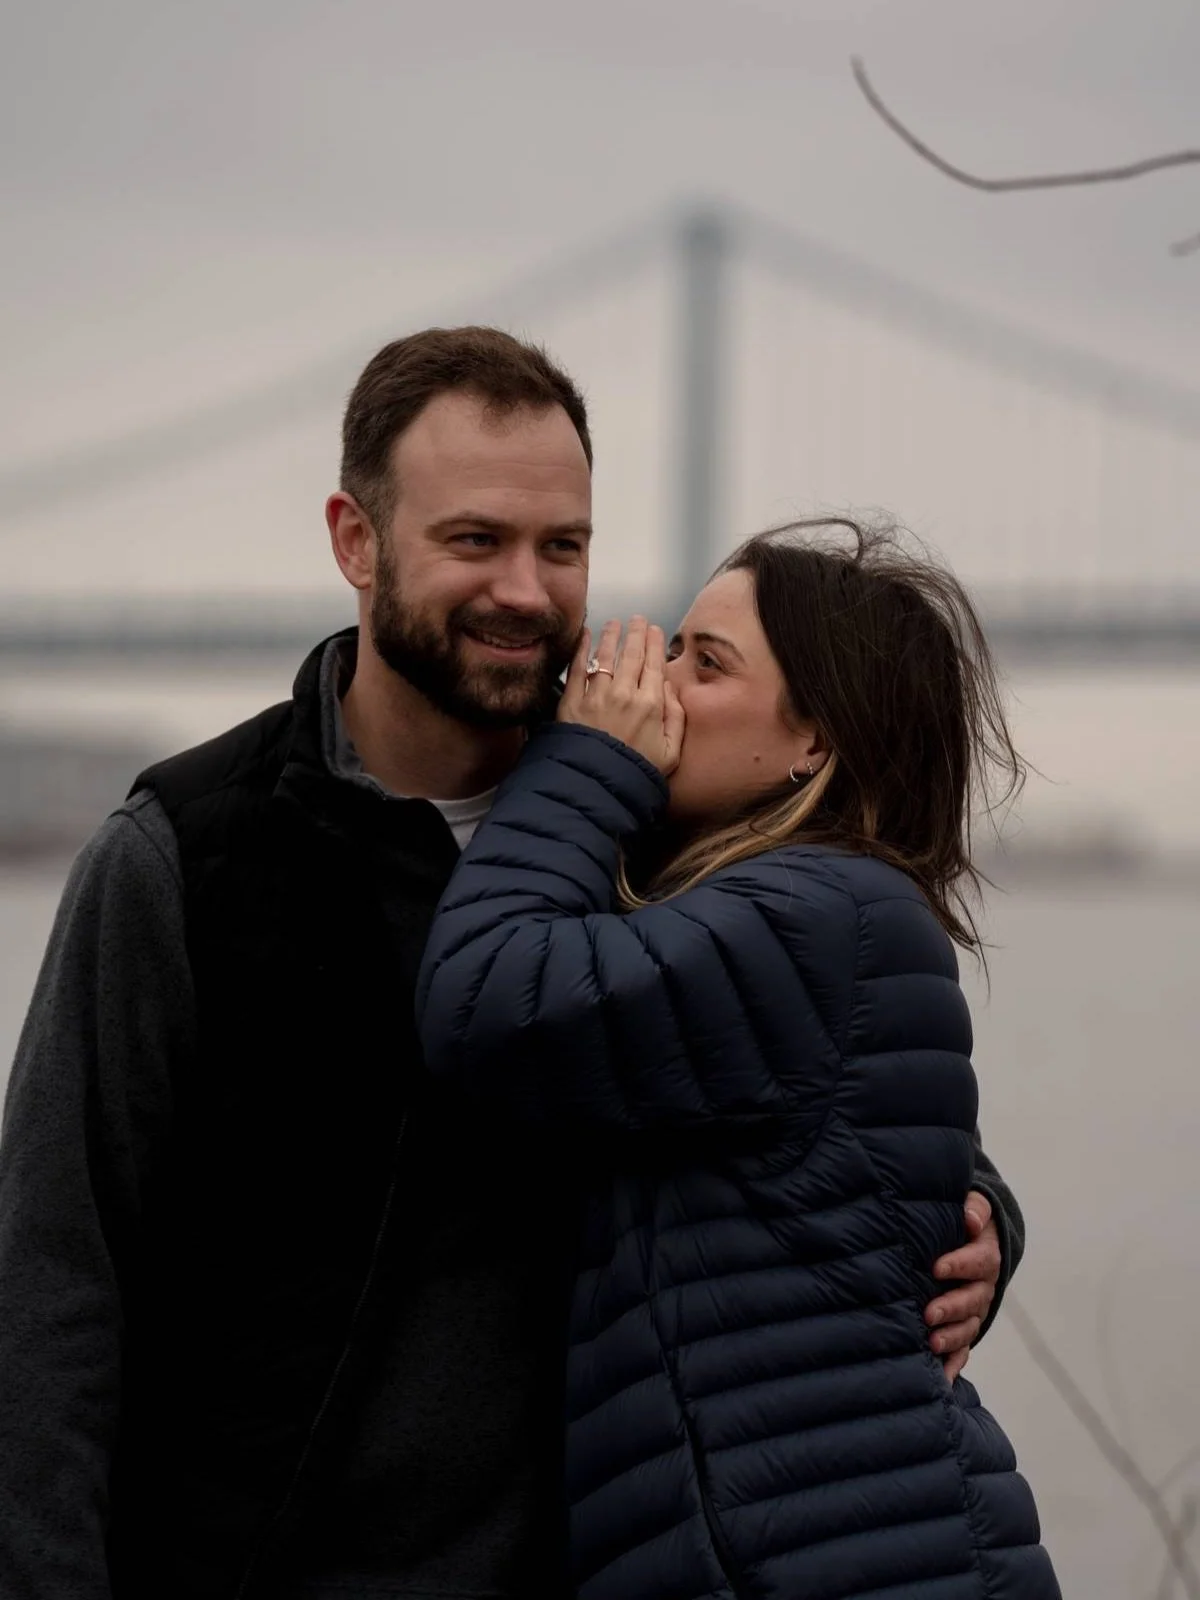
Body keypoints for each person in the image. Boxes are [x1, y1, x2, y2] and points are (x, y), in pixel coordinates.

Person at [0, 328, 1022, 1600]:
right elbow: (48, 1281)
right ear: (355, 540)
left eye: (565, 546)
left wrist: (978, 1220)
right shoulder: (186, 855)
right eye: (475, 540)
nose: (529, 593)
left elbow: (836, 1081)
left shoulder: (651, 824)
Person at [414, 522, 1062, 1599]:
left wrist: (588, 761)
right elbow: (861, 1153)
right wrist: (980, 1204)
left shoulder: (816, 914)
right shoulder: (756, 914)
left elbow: (486, 998)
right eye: (674, 644)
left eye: (704, 665)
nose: (654, 686)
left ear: (816, 738)